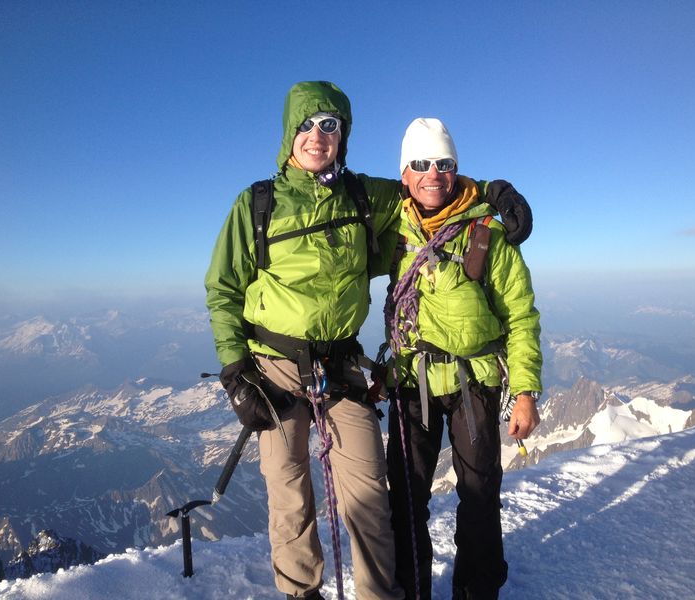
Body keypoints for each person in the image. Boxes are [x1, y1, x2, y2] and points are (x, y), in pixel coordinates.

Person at [205, 82, 533, 599]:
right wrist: (235, 370)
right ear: (290, 133)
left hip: (342, 366)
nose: (318, 135)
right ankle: (301, 593)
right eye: (307, 125)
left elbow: (432, 189)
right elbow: (223, 288)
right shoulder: (257, 205)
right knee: (290, 493)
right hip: (273, 366)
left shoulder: (364, 195)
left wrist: (494, 191)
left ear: (343, 136)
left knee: (372, 499)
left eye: (330, 125)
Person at [383, 118, 542, 600]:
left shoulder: (487, 230)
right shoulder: (391, 228)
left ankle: (476, 591)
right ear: (404, 174)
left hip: (474, 381)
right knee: (406, 498)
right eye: (420, 164)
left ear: (457, 169)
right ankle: (412, 590)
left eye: (444, 163)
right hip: (412, 379)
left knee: (479, 496)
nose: (433, 174)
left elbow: (520, 315)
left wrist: (525, 391)